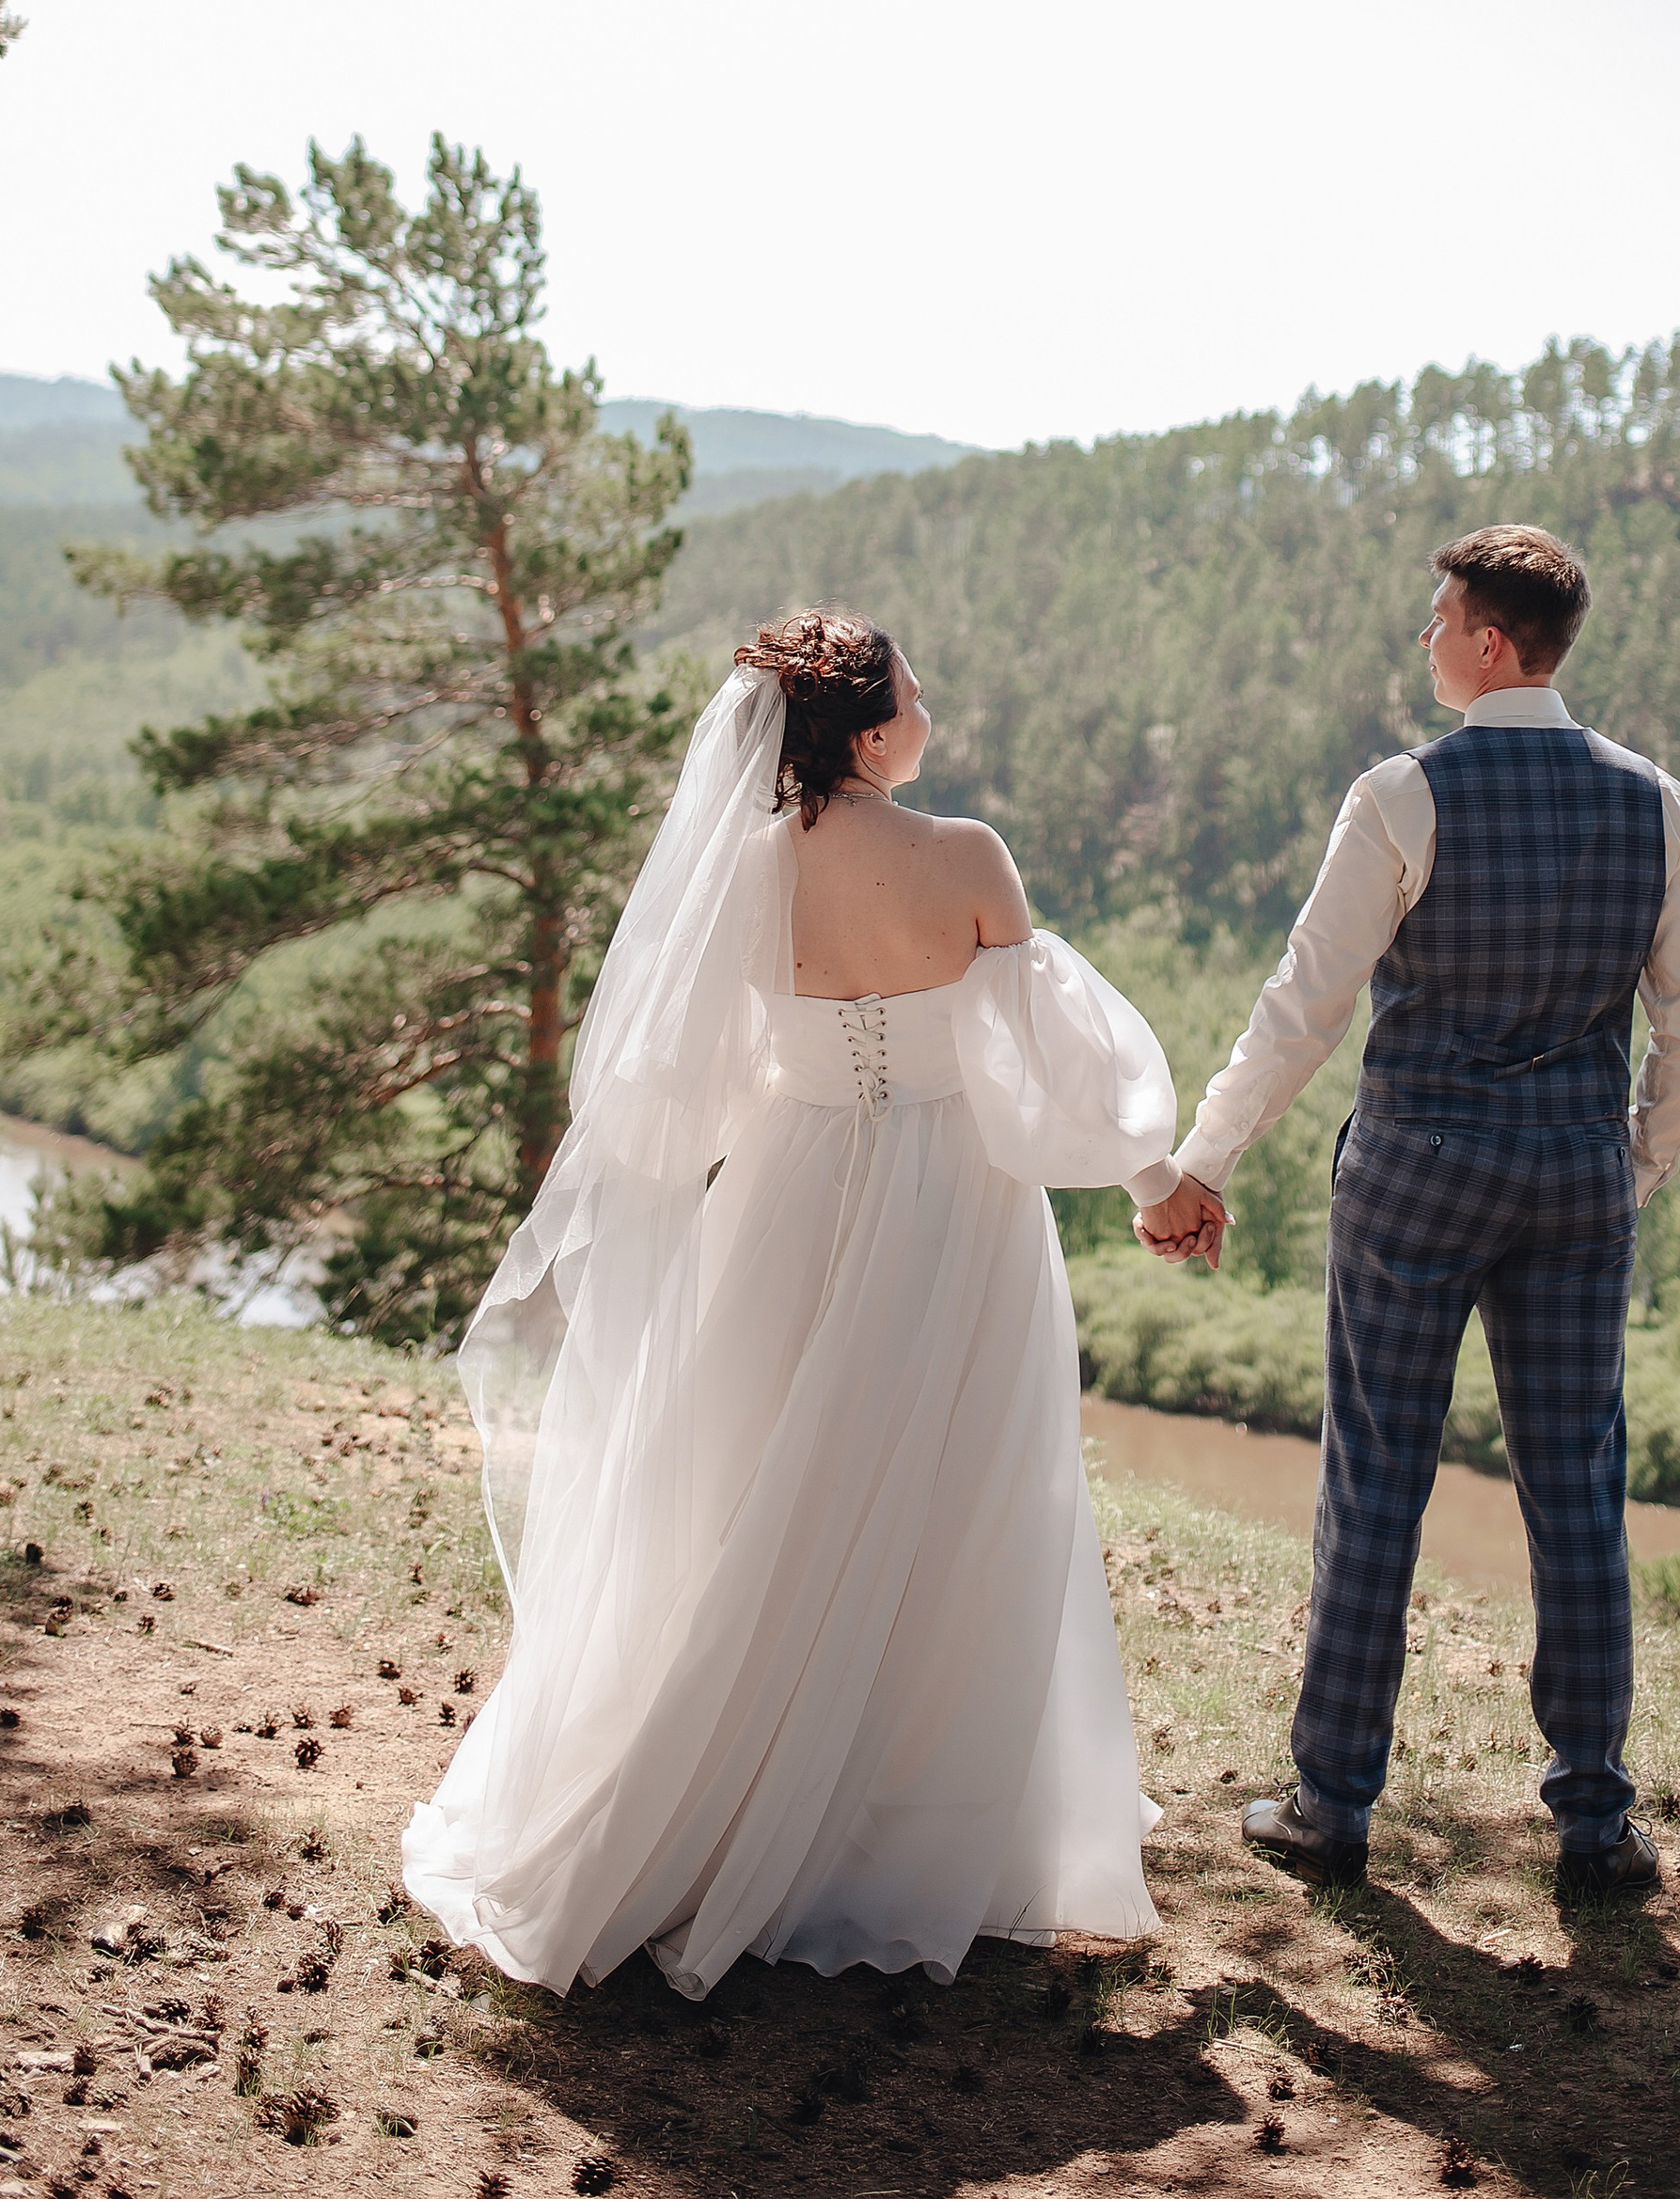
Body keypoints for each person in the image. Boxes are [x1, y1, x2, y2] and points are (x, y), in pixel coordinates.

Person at [403, 610, 1198, 1998]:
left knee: (762, 1489)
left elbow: (695, 1082)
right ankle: (920, 1823)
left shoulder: (744, 873)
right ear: (873, 726)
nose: (929, 702)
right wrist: (1157, 1181)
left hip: (786, 1191)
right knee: (960, 1493)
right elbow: (1052, 1061)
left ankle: (744, 1788)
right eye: (914, 684)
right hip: (952, 1204)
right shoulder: (964, 858)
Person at [1136, 524, 1680, 1901]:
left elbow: (1306, 1004)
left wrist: (1203, 1160)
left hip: (1415, 1176)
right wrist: (1636, 1161)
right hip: (1573, 1178)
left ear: (1491, 645)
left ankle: (1333, 1809)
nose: (1426, 641)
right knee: (1575, 1488)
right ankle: (1593, 1824)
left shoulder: (1403, 796)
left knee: (1377, 1476)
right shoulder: (1656, 803)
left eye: (1441, 617)